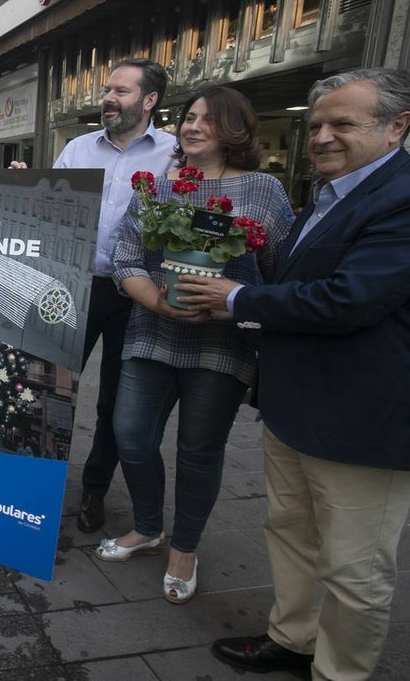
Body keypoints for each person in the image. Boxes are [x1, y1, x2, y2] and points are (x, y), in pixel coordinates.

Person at [175, 68, 410, 680]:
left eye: (343, 124)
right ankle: (292, 637)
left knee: (355, 568)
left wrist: (236, 300)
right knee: (291, 534)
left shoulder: (401, 198)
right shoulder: (330, 192)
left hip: (363, 421)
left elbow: (348, 298)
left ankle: (339, 673)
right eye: (316, 126)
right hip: (293, 408)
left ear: (397, 128)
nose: (324, 137)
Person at [97, 86, 294, 605]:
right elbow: (126, 257)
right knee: (132, 436)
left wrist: (237, 300)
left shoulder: (263, 192)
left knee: (199, 451)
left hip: (221, 345)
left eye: (207, 119)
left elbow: (281, 277)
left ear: (235, 129)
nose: (192, 126)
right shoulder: (161, 186)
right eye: (188, 117)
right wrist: (160, 304)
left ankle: (184, 547)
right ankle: (147, 526)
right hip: (152, 332)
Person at [36, 59, 176, 534]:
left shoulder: (175, 158)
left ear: (149, 100)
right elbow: (47, 209)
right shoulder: (77, 149)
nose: (108, 98)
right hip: (72, 286)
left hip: (137, 296)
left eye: (121, 91)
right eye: (107, 89)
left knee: (114, 401)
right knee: (48, 383)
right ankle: (33, 480)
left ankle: (94, 489)